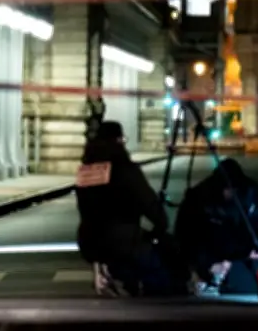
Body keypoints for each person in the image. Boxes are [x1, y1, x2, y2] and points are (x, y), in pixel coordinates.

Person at [75, 121, 190, 297]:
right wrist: (160, 227)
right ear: (119, 141)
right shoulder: (125, 169)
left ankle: (117, 278)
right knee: (164, 268)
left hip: (90, 241)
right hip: (123, 241)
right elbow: (148, 202)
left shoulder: (86, 171)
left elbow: (85, 209)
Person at [175, 158, 258, 295]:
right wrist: (207, 264)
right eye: (227, 189)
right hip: (213, 251)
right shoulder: (198, 198)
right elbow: (187, 238)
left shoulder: (249, 192)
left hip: (244, 250)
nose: (230, 193)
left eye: (234, 189)